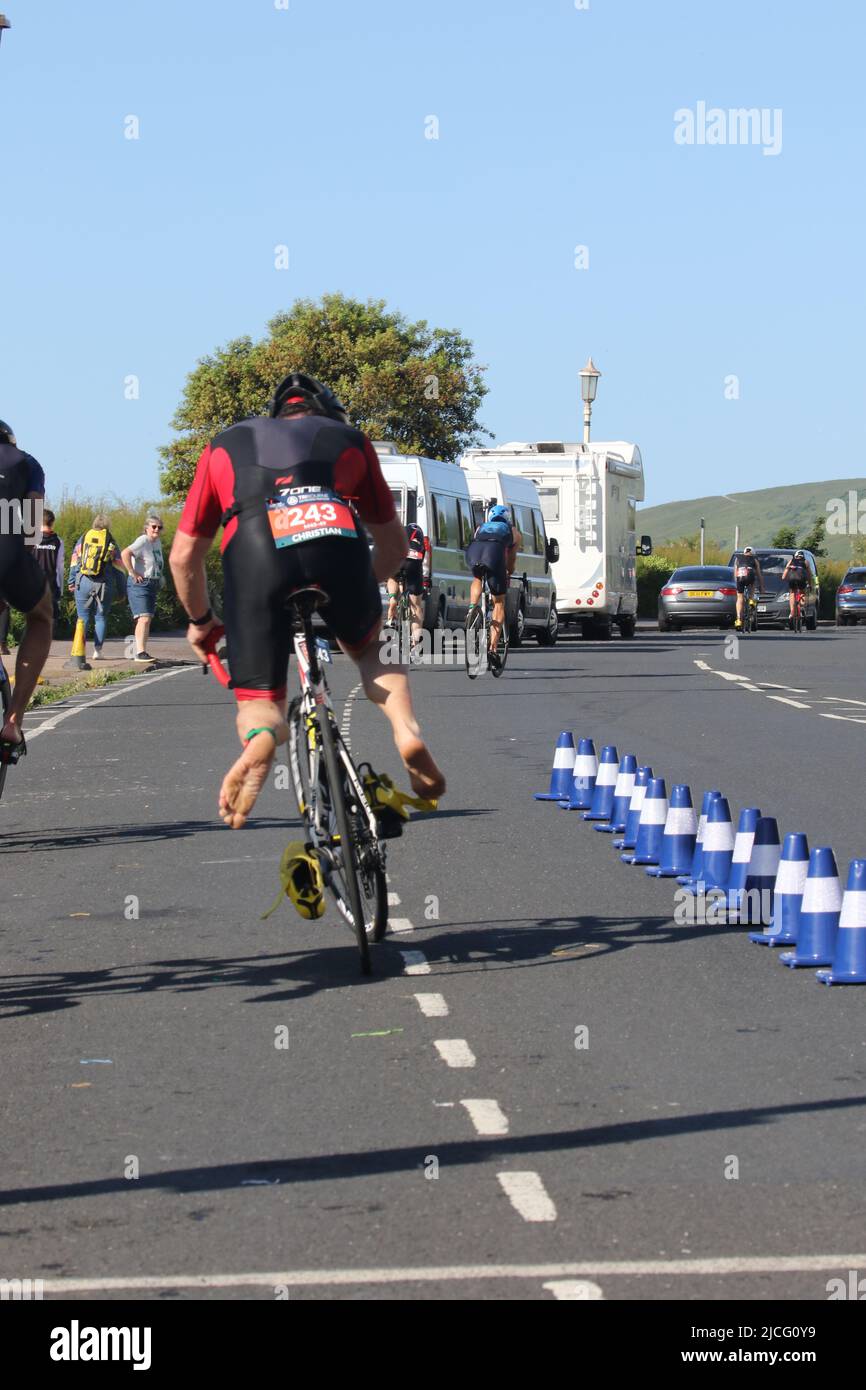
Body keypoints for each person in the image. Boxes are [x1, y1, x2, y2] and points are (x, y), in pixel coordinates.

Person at [169, 371, 446, 829]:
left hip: (255, 546)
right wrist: (356, 599)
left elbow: (183, 558)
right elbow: (395, 549)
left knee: (259, 700)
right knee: (371, 648)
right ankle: (406, 730)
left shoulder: (226, 443)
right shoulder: (349, 439)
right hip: (332, 531)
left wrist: (201, 620)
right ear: (328, 415)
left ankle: (261, 738)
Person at [0, 419, 53, 760]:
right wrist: (26, 551)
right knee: (42, 617)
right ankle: (13, 720)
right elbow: (32, 519)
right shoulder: (26, 462)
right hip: (6, 552)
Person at [464, 503, 520, 667]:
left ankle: (472, 609)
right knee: (499, 602)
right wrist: (508, 571)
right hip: (494, 553)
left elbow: (473, 539)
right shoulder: (513, 531)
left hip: (474, 551)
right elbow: (511, 559)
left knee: (477, 577)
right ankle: (493, 649)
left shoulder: (480, 526)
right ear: (508, 518)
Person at [67, 513, 126, 660]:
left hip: (83, 581)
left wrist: (71, 581)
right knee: (100, 617)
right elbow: (119, 569)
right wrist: (122, 590)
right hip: (104, 584)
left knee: (82, 617)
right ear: (107, 526)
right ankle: (98, 652)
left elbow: (74, 562)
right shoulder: (111, 541)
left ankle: (79, 651)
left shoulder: (84, 537)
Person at [121, 512, 165, 661]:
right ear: (147, 528)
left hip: (152, 583)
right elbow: (125, 553)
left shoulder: (156, 542)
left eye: (160, 527)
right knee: (143, 618)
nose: (157, 530)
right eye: (154, 527)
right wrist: (132, 572)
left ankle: (143, 651)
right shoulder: (143, 540)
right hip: (140, 583)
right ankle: (139, 653)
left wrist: (160, 576)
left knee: (148, 618)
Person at [385, 520, 427, 654]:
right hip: (413, 562)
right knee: (416, 607)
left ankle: (392, 600)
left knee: (392, 576)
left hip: (395, 559)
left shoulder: (398, 533)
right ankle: (415, 644)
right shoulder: (420, 537)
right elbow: (421, 562)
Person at [34, 508, 65, 634]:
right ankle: (45, 643)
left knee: (32, 617)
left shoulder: (31, 538)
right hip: (51, 584)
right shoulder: (58, 541)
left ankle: (33, 642)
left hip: (33, 583)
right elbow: (60, 567)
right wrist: (61, 589)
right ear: (52, 522)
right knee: (49, 617)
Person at [732, 546, 765, 629]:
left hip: (740, 577)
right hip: (750, 575)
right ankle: (751, 599)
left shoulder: (737, 558)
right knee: (753, 583)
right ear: (753, 553)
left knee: (739, 598)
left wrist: (737, 583)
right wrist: (761, 586)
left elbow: (735, 573)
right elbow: (758, 574)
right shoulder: (754, 559)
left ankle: (739, 619)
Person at [782, 550, 809, 627]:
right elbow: (809, 574)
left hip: (792, 579)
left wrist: (784, 577)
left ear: (795, 556)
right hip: (801, 580)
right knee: (802, 592)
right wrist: (809, 584)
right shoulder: (806, 562)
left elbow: (785, 572)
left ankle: (792, 612)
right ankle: (802, 606)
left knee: (792, 594)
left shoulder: (792, 560)